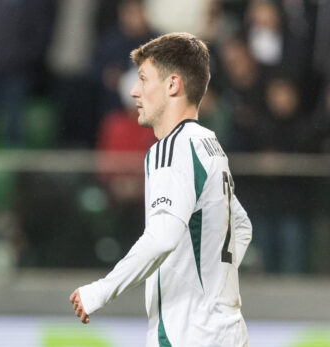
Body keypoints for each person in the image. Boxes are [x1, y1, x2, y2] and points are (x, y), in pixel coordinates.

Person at [69, 33, 252, 346]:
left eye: (143, 79)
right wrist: (212, 286)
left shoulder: (171, 150)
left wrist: (99, 291)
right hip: (226, 331)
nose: (134, 91)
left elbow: (162, 236)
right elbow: (242, 226)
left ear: (173, 85)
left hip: (189, 335)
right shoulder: (209, 144)